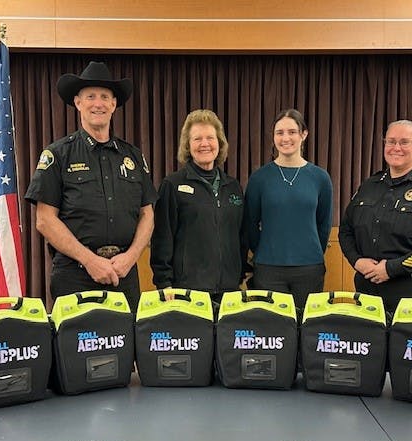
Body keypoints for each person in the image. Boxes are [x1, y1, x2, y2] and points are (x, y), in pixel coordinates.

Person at [25, 61, 157, 310]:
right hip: (75, 275)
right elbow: (44, 220)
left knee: (125, 348)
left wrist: (131, 258)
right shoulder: (58, 155)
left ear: (114, 104)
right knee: (76, 348)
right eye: (91, 96)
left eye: (105, 97)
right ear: (78, 102)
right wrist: (90, 261)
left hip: (123, 274)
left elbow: (147, 214)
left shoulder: (133, 157)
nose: (98, 103)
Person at [338, 119, 412, 314]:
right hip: (367, 292)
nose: (396, 148)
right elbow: (346, 230)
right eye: (391, 141)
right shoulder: (369, 186)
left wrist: (392, 268)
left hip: (411, 293)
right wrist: (357, 261)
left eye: (404, 142)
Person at [150, 109, 245, 303]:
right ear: (187, 145)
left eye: (210, 137)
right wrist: (164, 283)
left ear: (219, 143)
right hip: (187, 293)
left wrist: (241, 274)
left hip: (229, 291)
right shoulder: (172, 185)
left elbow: (241, 236)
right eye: (197, 139)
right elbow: (162, 238)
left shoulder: (233, 186)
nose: (204, 144)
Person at [243, 108, 333, 312]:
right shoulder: (259, 178)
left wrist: (310, 251)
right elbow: (249, 224)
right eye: (279, 132)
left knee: (305, 328)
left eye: (292, 132)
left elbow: (323, 224)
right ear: (273, 137)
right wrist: (263, 250)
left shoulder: (320, 178)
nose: (286, 138)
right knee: (273, 332)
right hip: (268, 268)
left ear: (304, 134)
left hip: (309, 268)